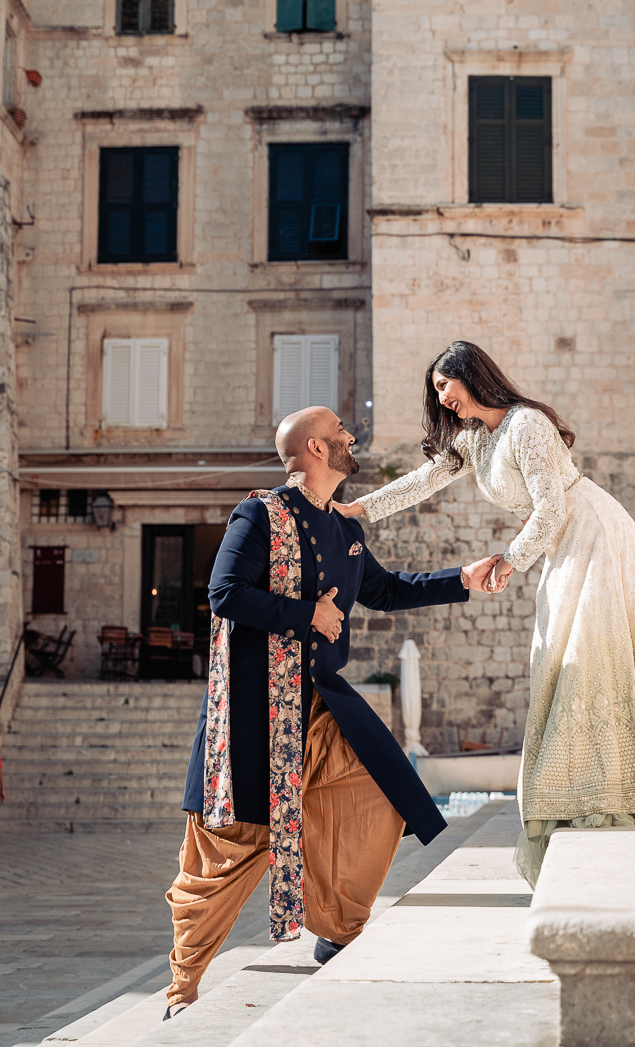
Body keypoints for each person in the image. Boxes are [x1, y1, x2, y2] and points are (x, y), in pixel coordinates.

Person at [337, 342, 635, 886]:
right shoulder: (476, 438)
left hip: (594, 533)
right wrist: (359, 509)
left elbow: (553, 505)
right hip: (563, 545)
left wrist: (512, 560)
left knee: (594, 657)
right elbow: (423, 480)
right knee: (602, 659)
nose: (441, 398)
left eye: (444, 385)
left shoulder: (527, 425)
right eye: (437, 391)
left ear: (471, 377)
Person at [164, 405, 503, 1019]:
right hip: (254, 711)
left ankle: (339, 926)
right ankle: (183, 986)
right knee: (231, 843)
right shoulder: (261, 514)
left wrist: (463, 578)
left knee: (378, 792)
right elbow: (224, 592)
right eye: (341, 431)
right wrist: (306, 615)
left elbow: (386, 589)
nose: (352, 436)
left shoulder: (345, 527)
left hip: (321, 701)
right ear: (316, 449)